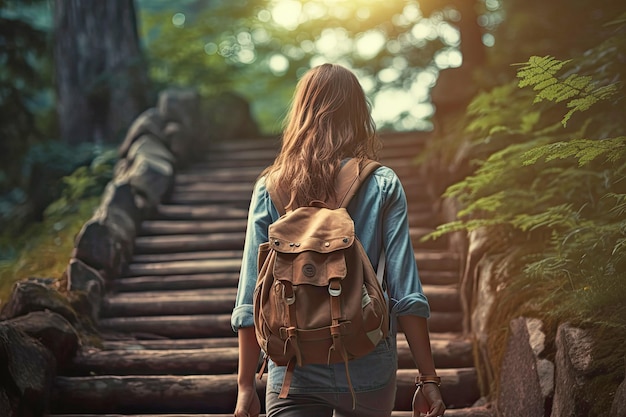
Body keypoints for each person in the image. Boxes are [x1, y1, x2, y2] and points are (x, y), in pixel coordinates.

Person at [231, 63, 446, 417]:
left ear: (300, 113)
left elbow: (250, 296)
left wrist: (244, 388)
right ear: (358, 113)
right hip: (366, 360)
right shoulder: (382, 183)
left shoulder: (270, 187)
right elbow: (405, 292)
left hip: (291, 366)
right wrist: (428, 378)